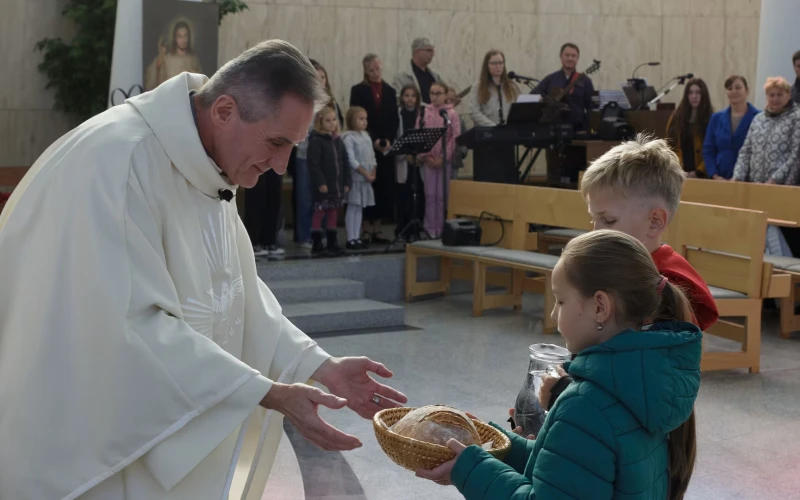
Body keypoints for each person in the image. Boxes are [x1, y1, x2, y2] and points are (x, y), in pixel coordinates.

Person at [0, 40, 408, 500]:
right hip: (91, 452)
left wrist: (317, 364)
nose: (279, 166)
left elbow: (232, 293)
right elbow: (125, 331)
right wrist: (268, 392)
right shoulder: (118, 164)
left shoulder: (204, 165)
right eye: (276, 143)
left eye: (292, 147)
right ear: (225, 110)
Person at [418, 229, 702, 500]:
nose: (554, 313)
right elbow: (571, 472)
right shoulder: (646, 384)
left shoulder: (585, 406)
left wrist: (471, 469)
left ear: (600, 307)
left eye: (561, 300)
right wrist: (498, 445)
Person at [733, 76, 800, 257]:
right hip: (757, 189)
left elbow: (796, 156)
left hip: (782, 189)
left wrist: (775, 181)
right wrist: (737, 178)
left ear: (788, 95)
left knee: (782, 236)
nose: (775, 98)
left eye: (779, 94)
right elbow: (746, 150)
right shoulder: (759, 119)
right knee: (759, 234)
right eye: (771, 95)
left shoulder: (796, 118)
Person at [349, 54, 399, 243]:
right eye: (371, 70)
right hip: (366, 143)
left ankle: (378, 227)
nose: (376, 73)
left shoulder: (390, 90)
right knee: (367, 187)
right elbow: (355, 116)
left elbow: (394, 118)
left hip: (385, 147)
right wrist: (373, 139)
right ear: (365, 70)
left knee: (384, 187)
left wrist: (386, 140)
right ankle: (366, 228)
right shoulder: (358, 90)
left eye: (378, 68)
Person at [416, 82, 461, 238]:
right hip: (429, 160)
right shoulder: (424, 112)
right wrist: (426, 155)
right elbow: (418, 134)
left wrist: (444, 157)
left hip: (444, 161)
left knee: (442, 196)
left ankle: (442, 228)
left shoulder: (451, 114)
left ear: (445, 95)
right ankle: (429, 228)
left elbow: (454, 137)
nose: (434, 97)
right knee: (429, 195)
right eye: (432, 93)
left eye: (438, 93)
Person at [308, 106, 351, 254]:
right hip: (324, 185)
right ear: (320, 122)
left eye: (334, 120)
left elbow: (345, 162)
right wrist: (320, 182)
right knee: (320, 212)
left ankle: (332, 241)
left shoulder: (338, 140)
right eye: (328, 120)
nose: (332, 123)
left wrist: (346, 182)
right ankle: (317, 242)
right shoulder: (316, 141)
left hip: (336, 185)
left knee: (333, 211)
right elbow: (314, 165)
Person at [702, 75, 760, 180]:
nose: (734, 91)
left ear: (747, 91)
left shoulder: (759, 118)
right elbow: (708, 150)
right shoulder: (716, 118)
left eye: (738, 88)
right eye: (730, 89)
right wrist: (714, 175)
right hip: (720, 179)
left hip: (748, 180)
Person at [532, 42, 595, 131]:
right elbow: (534, 95)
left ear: (577, 59)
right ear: (561, 57)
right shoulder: (550, 79)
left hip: (578, 130)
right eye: (567, 55)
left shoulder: (585, 81)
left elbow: (590, 107)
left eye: (573, 56)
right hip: (554, 129)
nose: (570, 58)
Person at [341, 106, 377, 250]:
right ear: (351, 120)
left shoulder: (366, 136)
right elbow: (351, 160)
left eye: (365, 119)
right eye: (360, 119)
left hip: (366, 178)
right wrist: (364, 172)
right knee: (353, 206)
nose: (364, 122)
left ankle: (357, 237)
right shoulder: (348, 138)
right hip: (355, 178)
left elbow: (372, 156)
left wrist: (373, 171)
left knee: (360, 207)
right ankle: (351, 238)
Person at [665, 78, 713, 177]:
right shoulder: (676, 117)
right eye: (690, 93)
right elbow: (669, 146)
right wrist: (677, 169)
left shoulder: (711, 119)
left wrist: (698, 172)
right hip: (678, 174)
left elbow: (713, 150)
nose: (694, 96)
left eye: (698, 92)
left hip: (703, 175)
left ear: (704, 95)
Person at [394, 85, 425, 238]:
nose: (410, 99)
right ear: (402, 97)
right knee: (403, 195)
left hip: (420, 161)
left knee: (419, 193)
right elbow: (396, 137)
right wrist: (406, 155)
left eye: (413, 95)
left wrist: (419, 156)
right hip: (404, 160)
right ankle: (402, 227)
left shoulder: (422, 114)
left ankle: (417, 226)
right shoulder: (397, 114)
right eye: (407, 95)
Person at [145, 20, 202, 91]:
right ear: (175, 38)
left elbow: (200, 85)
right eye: (179, 36)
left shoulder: (193, 59)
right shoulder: (167, 59)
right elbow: (155, 84)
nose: (183, 40)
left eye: (185, 36)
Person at [469, 49, 520, 127]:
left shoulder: (512, 87)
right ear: (487, 65)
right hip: (487, 132)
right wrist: (493, 126)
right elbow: (474, 112)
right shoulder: (477, 87)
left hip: (508, 132)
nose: (498, 66)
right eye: (494, 63)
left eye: (501, 63)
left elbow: (518, 109)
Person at [393, 37, 443, 104]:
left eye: (433, 51)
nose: (433, 54)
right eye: (429, 50)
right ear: (417, 52)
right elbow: (398, 100)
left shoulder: (435, 76)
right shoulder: (401, 77)